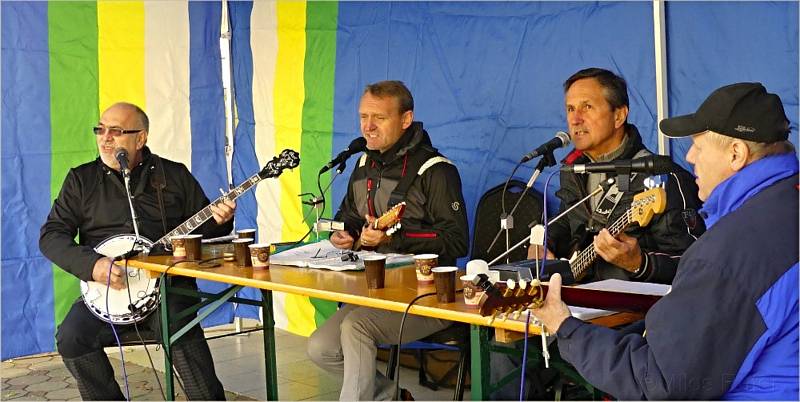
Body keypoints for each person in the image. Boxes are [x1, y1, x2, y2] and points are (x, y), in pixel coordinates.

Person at [532, 82, 798, 399]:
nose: (689, 156)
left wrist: (565, 327)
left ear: (736, 154)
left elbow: (659, 383)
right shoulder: (783, 208)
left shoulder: (727, 251)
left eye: (698, 145)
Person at [40, 102, 236, 400]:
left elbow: (202, 230)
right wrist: (93, 265)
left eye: (116, 132)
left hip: (168, 291)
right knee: (72, 336)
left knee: (181, 327)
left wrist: (222, 221)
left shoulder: (174, 175)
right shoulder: (81, 180)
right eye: (100, 129)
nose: (105, 138)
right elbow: (52, 235)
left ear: (140, 139)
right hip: (108, 290)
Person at [307, 81, 469, 400]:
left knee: (356, 327)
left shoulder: (436, 171)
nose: (368, 126)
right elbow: (351, 216)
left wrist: (395, 237)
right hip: (374, 292)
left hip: (429, 297)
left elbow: (457, 241)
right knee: (321, 347)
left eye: (379, 117)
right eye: (363, 116)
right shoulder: (364, 162)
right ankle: (393, 397)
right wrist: (347, 235)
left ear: (406, 119)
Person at [527, 68, 703, 284]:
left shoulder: (662, 177)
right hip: (580, 303)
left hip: (635, 312)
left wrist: (640, 264)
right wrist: (543, 243)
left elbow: (694, 264)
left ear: (619, 115)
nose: (575, 119)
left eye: (587, 107)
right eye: (570, 109)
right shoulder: (573, 171)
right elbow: (565, 223)